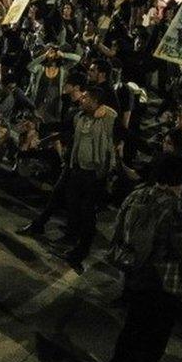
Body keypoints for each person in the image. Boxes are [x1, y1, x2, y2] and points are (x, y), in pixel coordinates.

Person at [100, 157, 182, 362]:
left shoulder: (137, 195)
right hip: (164, 278)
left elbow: (119, 227)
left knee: (133, 325)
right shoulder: (179, 208)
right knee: (157, 329)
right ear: (181, 180)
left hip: (135, 268)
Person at [60, 86, 117, 271]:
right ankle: (70, 239)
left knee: (88, 212)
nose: (81, 100)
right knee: (73, 205)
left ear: (95, 102)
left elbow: (114, 114)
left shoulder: (106, 118)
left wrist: (104, 109)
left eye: (85, 98)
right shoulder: (80, 116)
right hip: (78, 169)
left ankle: (82, 249)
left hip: (94, 173)